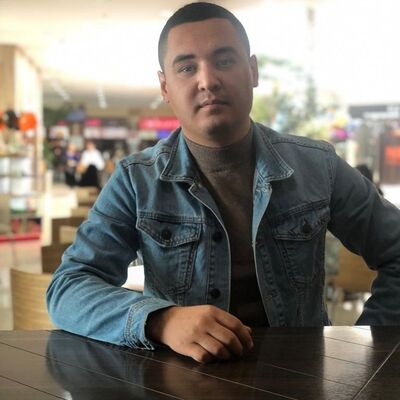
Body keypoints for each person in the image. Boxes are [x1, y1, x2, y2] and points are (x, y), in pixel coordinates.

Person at [47, 2, 400, 364]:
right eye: (187, 67)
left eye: (225, 60)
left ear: (252, 71)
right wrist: (161, 321)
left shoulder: (317, 165)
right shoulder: (136, 180)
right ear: (165, 87)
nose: (208, 80)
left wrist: (371, 345)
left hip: (299, 376)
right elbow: (68, 287)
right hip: (179, 380)